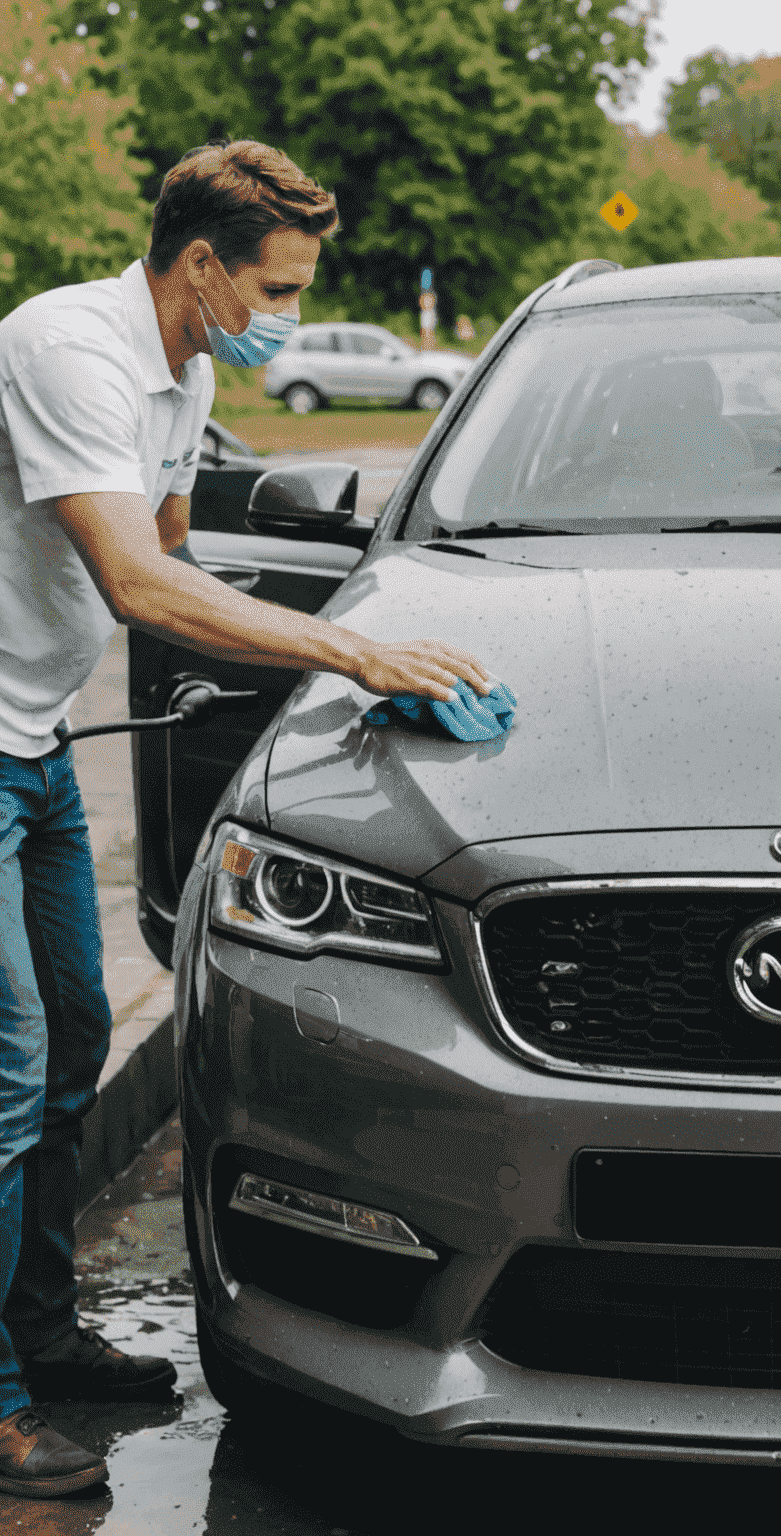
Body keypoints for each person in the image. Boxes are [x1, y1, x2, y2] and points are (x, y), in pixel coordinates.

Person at [0, 140, 492, 1498]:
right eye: (275, 285)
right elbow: (136, 583)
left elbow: (179, 552)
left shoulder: (192, 370)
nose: (284, 313)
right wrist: (353, 654)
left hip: (31, 741)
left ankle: (43, 1338)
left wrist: (366, 629)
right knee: (8, 1057)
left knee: (75, 1044)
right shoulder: (70, 348)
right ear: (202, 261)